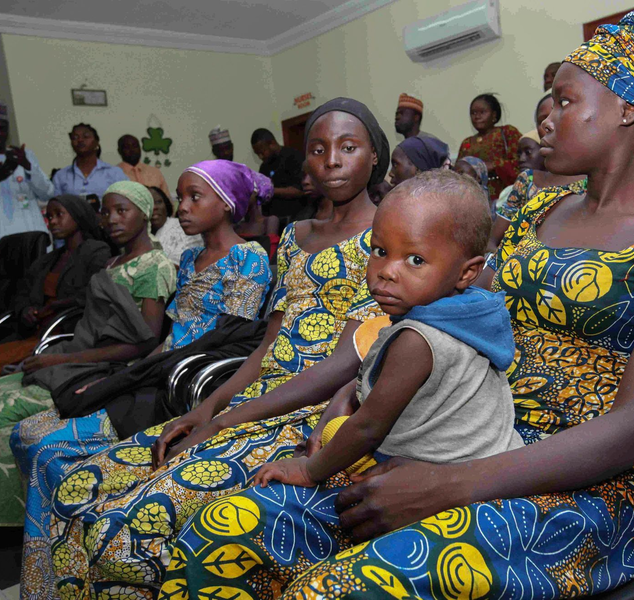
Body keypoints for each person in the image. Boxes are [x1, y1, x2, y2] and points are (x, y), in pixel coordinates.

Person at [158, 11, 634, 598]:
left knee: (341, 586)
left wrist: (448, 485)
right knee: (228, 531)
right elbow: (447, 318)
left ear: (628, 110)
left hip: (582, 484)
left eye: (566, 101)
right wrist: (361, 391)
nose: (547, 117)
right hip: (459, 426)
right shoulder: (538, 214)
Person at [49, 97, 390, 598]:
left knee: (122, 530)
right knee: (75, 488)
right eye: (318, 149)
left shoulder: (389, 235)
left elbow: (347, 363)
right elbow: (269, 342)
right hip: (252, 397)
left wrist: (225, 421)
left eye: (348, 147)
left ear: (374, 155)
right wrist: (206, 407)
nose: (332, 160)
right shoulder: (294, 236)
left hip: (311, 413)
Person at [11, 163, 273, 599]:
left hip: (185, 385)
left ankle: (70, 576)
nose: (182, 208)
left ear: (227, 204)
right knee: (28, 432)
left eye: (195, 197)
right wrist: (120, 377)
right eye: (181, 197)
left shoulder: (249, 257)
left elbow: (232, 340)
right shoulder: (188, 258)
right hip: (159, 369)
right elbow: (168, 339)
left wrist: (142, 375)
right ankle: (56, 577)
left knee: (47, 447)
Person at [255, 170, 523, 493]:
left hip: (448, 479)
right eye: (380, 251)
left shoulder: (417, 340)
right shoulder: (471, 311)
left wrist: (308, 471)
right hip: (491, 457)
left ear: (467, 272)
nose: (386, 272)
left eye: (415, 260)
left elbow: (368, 428)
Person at [0, 181, 175, 544]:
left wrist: (65, 358)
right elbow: (93, 327)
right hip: (84, 354)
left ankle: (16, 520)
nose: (111, 219)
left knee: (7, 411)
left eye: (122, 210)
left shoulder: (153, 265)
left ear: (144, 213)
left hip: (109, 368)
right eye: (106, 212)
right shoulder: (112, 263)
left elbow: (144, 341)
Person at [0, 196, 110, 368]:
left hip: (64, 334)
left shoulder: (96, 251)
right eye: (49, 217)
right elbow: (21, 293)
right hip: (33, 332)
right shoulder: (47, 260)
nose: (52, 222)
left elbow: (94, 292)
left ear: (77, 216)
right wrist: (25, 310)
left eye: (59, 215)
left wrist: (56, 306)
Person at [0, 101, 54, 240]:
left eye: (3, 127)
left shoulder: (24, 156)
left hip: (31, 234)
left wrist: (27, 166)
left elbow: (47, 193)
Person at [457, 93, 521, 200]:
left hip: (505, 195)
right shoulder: (466, 143)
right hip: (474, 198)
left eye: (482, 112)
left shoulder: (508, 133)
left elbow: (521, 163)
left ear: (494, 115)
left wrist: (493, 165)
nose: (477, 117)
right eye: (473, 113)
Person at [52, 124, 128, 198]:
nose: (80, 140)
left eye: (86, 136)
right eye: (75, 137)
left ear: (96, 142)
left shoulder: (114, 173)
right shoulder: (61, 176)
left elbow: (127, 199)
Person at [251, 128, 304, 222]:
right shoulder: (264, 167)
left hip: (295, 219)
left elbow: (299, 191)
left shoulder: (293, 156)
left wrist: (271, 190)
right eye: (257, 154)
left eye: (262, 152)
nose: (260, 157)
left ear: (272, 143)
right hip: (273, 223)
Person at [150, 186, 203, 266]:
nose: (154, 207)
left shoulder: (184, 229)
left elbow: (179, 267)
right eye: (149, 203)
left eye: (158, 202)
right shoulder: (137, 235)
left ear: (166, 205)